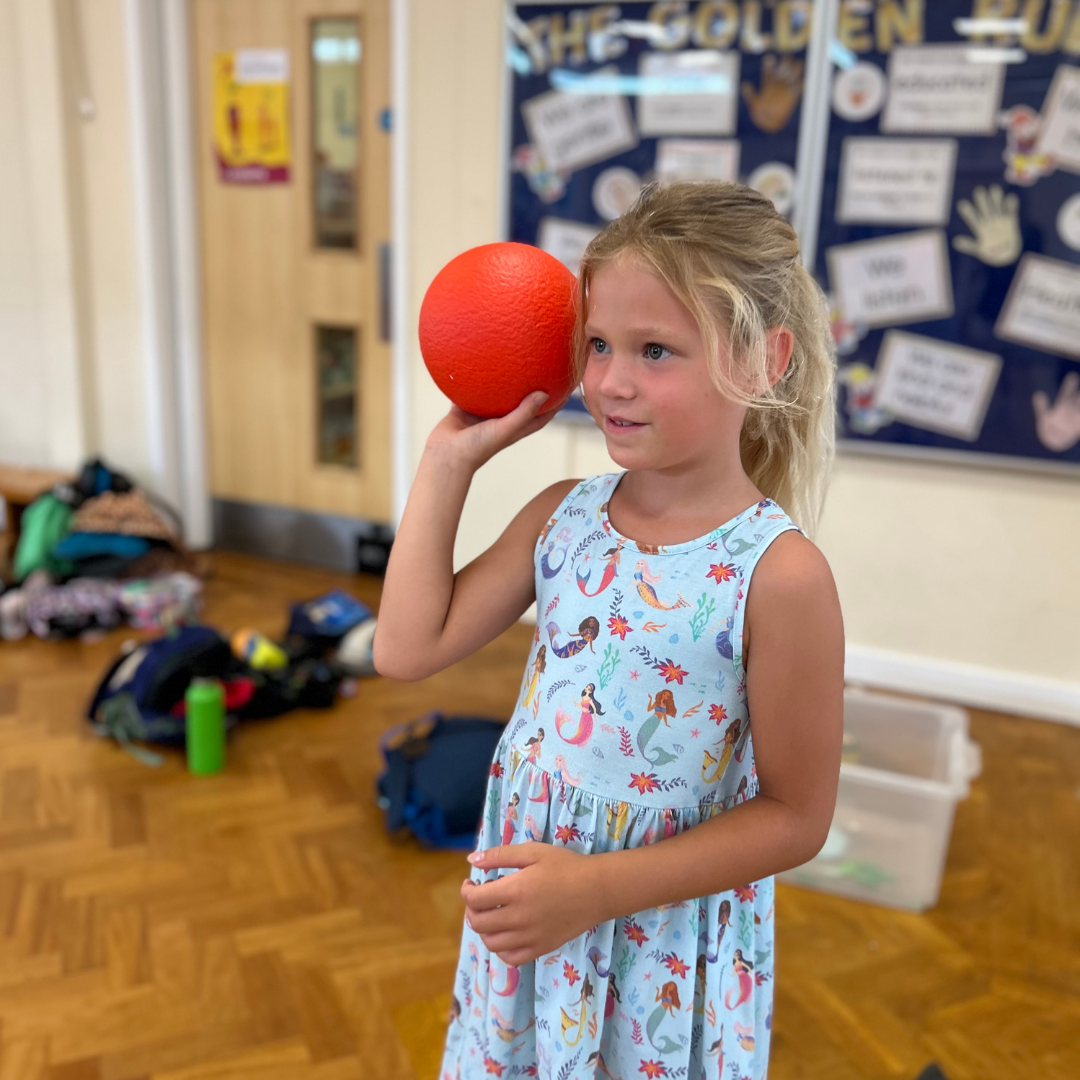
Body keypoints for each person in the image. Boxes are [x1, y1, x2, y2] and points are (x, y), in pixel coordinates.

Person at [373, 182, 845, 1079]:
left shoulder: (778, 578)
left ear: (763, 358)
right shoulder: (564, 517)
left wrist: (594, 892)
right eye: (597, 345)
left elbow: (796, 817)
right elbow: (404, 648)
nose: (610, 382)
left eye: (655, 350)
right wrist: (448, 458)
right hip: (537, 928)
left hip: (659, 946)